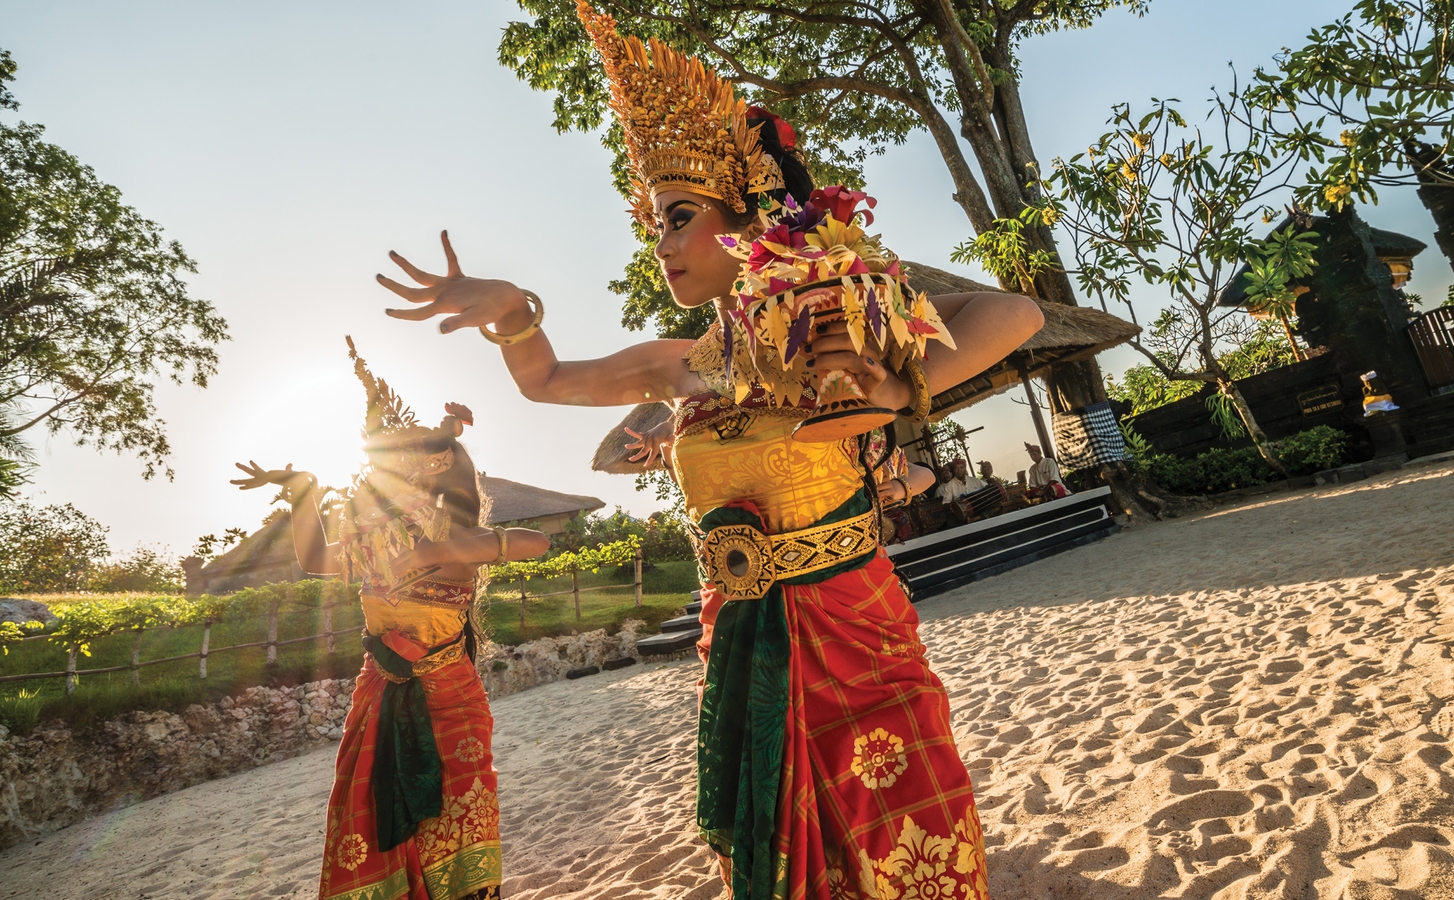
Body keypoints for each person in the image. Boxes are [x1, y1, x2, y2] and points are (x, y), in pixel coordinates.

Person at [372, 4, 1042, 894]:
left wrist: (890, 384)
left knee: (896, 834)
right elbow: (547, 381)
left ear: (746, 216)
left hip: (849, 620)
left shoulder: (834, 319)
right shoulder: (676, 365)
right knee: (771, 839)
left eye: (679, 215)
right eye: (653, 223)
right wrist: (513, 313)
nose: (663, 242)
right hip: (739, 631)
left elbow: (1015, 312)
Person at [232, 340, 550, 900]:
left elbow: (538, 541)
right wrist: (303, 491)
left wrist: (433, 554)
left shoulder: (458, 540)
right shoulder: (372, 542)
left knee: (456, 832)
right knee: (365, 821)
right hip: (378, 694)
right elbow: (316, 560)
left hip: (448, 694)